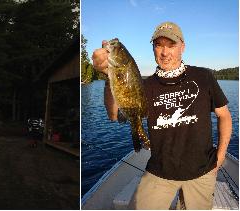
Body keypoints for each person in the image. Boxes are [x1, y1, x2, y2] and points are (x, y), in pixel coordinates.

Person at [92, 21, 233, 209]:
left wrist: (221, 156)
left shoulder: (204, 77)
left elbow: (224, 116)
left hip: (202, 171)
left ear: (182, 46)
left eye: (171, 45)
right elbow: (113, 115)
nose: (165, 53)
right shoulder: (146, 85)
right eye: (159, 45)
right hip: (159, 170)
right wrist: (108, 77)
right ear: (153, 48)